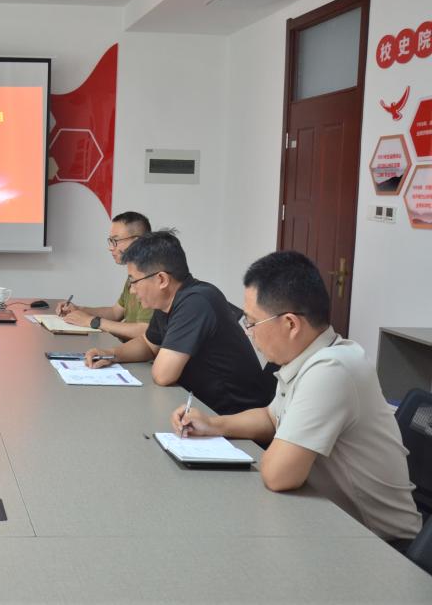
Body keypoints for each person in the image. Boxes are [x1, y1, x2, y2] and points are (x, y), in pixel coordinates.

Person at [172, 251, 421, 545]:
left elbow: (278, 476)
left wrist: (276, 450)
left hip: (381, 545)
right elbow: (271, 417)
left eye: (252, 322)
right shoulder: (309, 357)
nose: (249, 333)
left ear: (290, 324)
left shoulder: (332, 369)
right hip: (332, 523)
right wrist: (214, 424)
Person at [85, 230, 274, 415]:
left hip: (231, 417)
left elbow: (163, 375)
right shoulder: (168, 301)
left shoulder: (197, 302)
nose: (132, 290)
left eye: (134, 281)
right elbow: (148, 345)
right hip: (198, 408)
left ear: (161, 279)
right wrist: (111, 354)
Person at [56, 211, 153, 341]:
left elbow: (145, 331)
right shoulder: (134, 273)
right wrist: (78, 309)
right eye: (110, 241)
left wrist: (92, 321)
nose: (110, 248)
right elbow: (115, 313)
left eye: (115, 241)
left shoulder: (152, 277)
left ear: (137, 242)